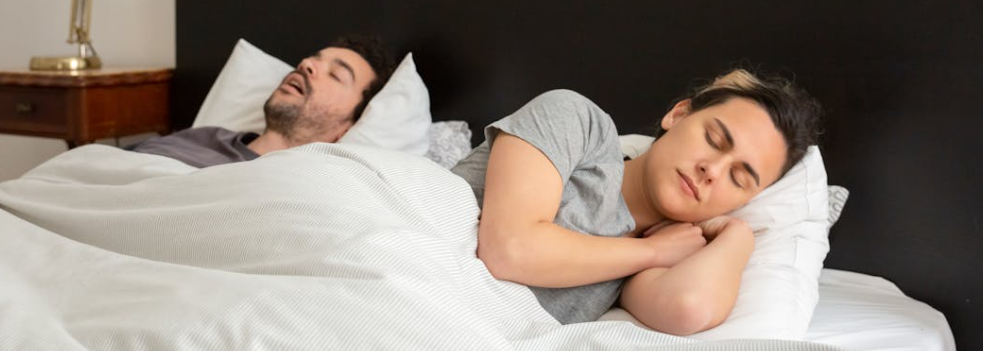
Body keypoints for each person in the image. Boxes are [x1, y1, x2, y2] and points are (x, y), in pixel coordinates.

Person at [450, 69, 822, 334]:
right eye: (713, 139)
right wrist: (652, 252)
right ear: (678, 115)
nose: (712, 170)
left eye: (738, 179)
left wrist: (738, 236)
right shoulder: (576, 121)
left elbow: (688, 307)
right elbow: (509, 250)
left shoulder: (655, 258)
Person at [129, 35, 396, 168]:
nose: (306, 64)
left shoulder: (311, 185)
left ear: (347, 128)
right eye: (313, 59)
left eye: (336, 75)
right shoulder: (202, 137)